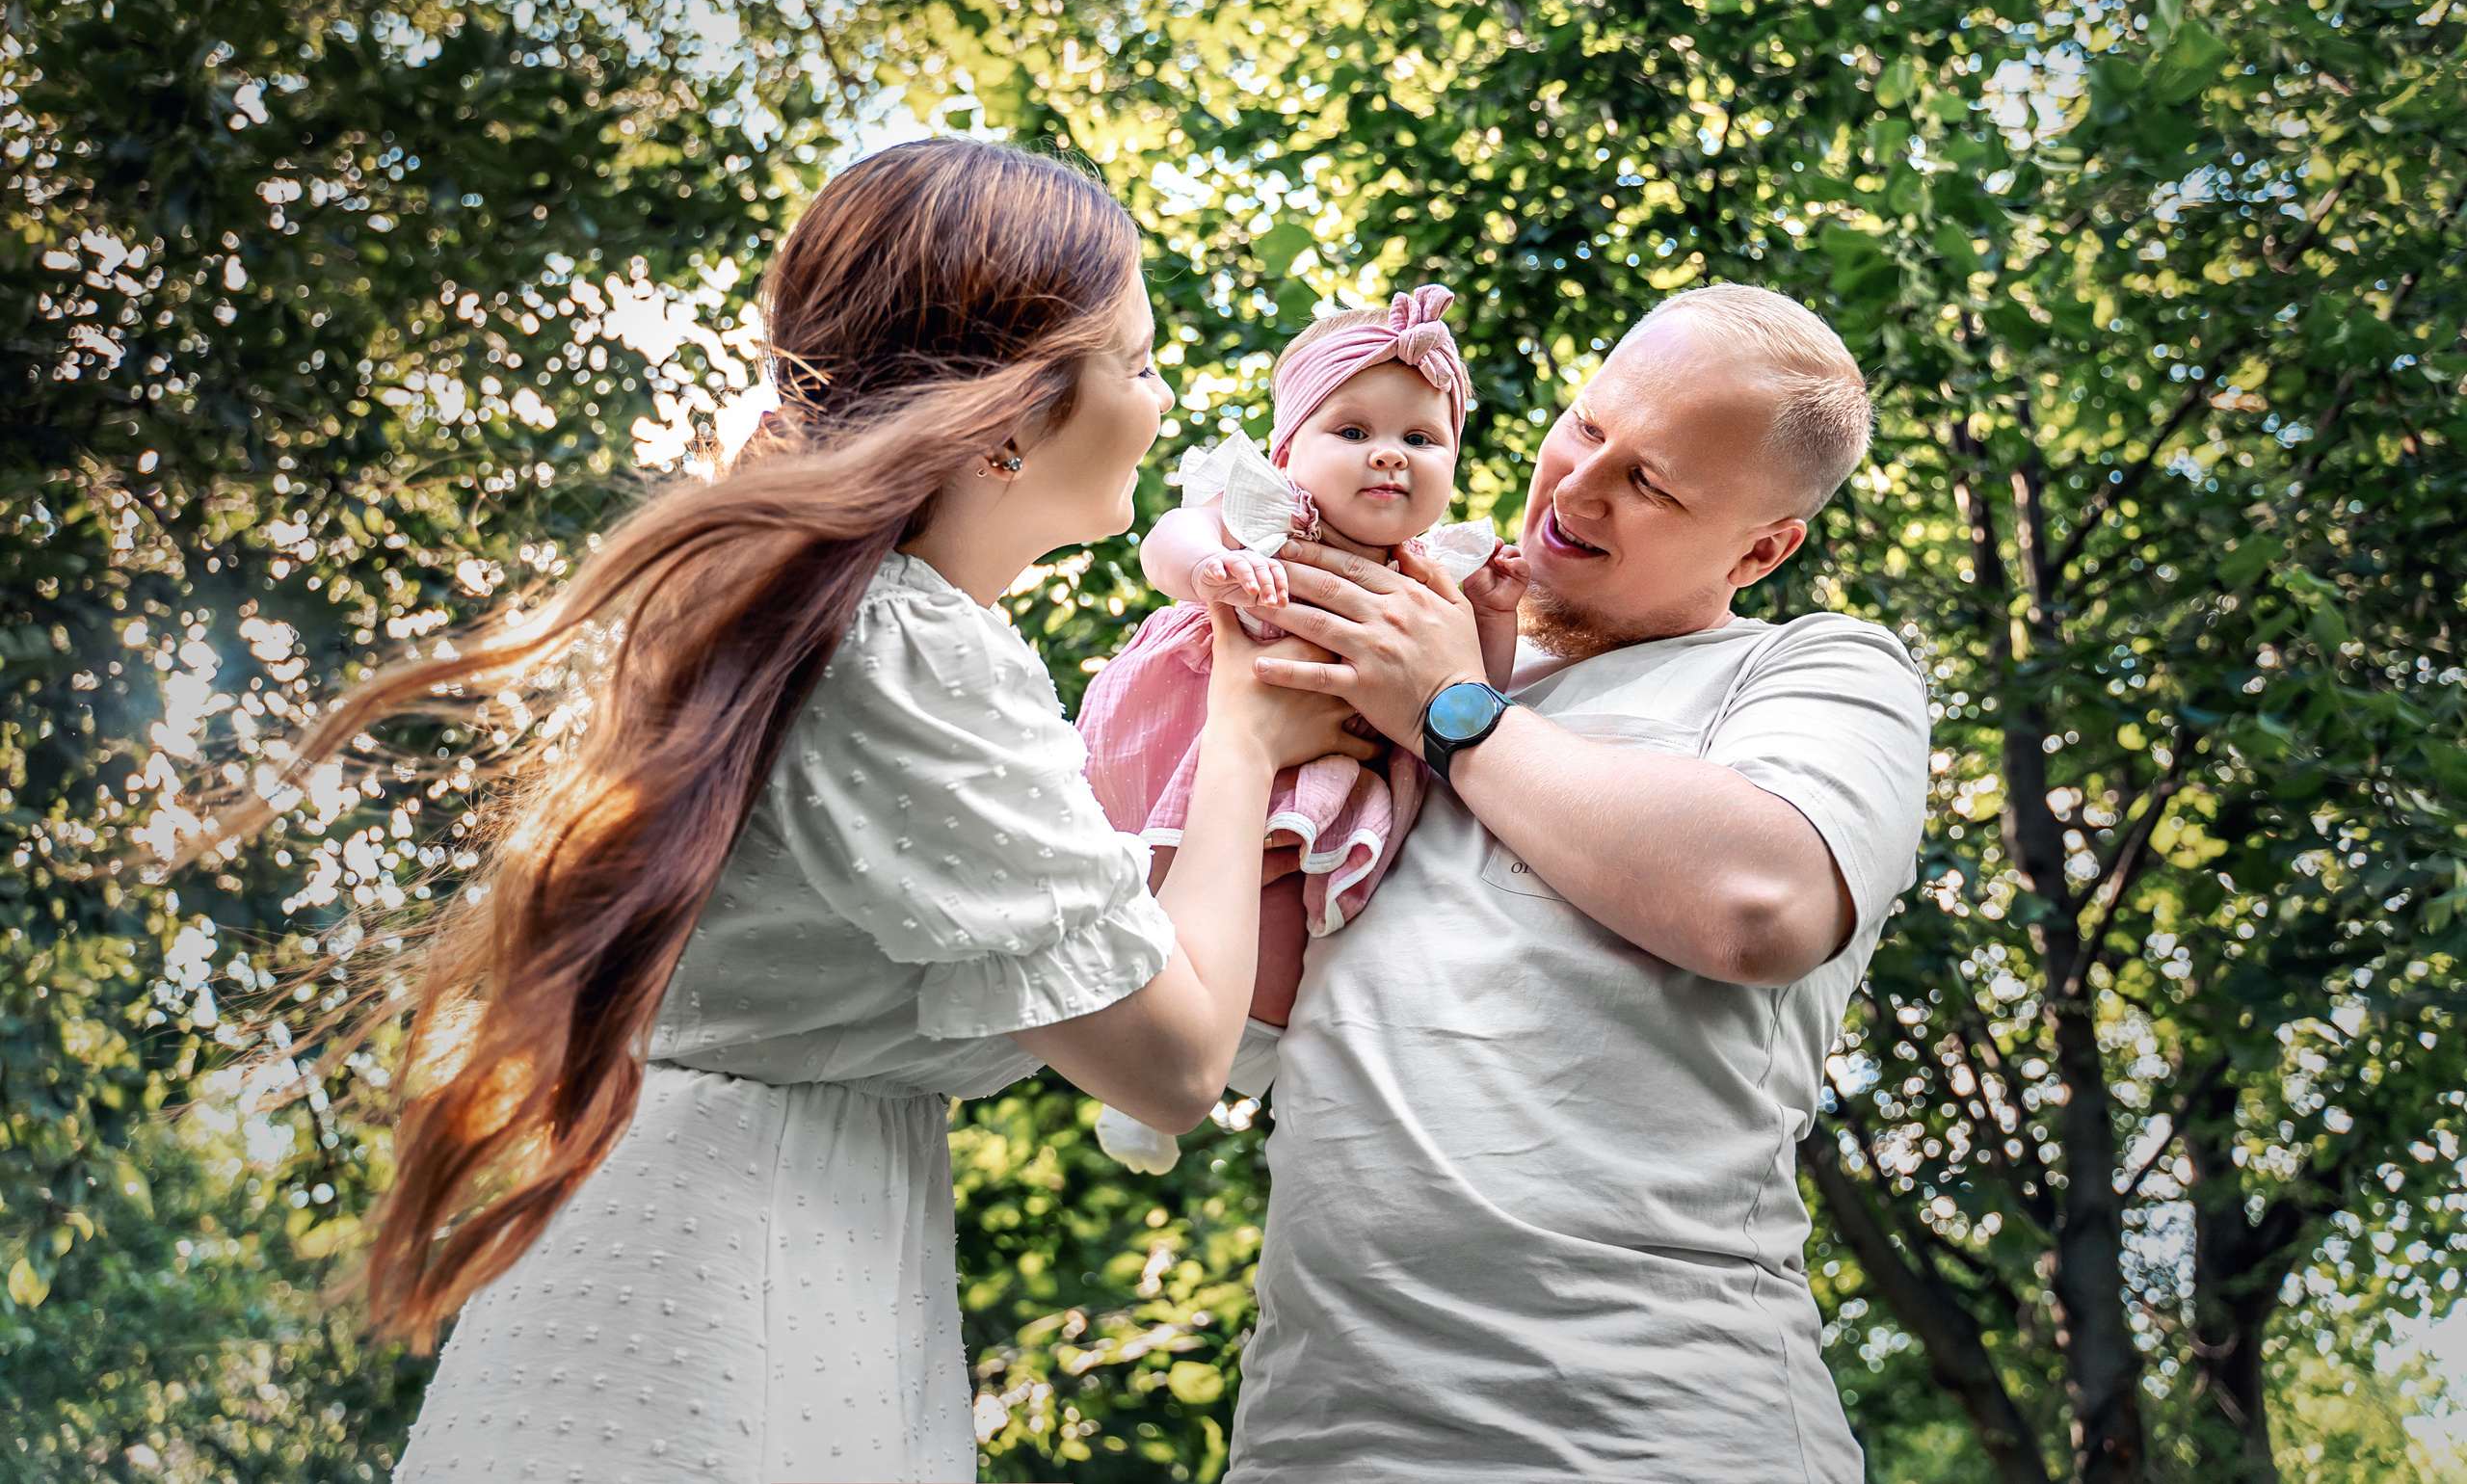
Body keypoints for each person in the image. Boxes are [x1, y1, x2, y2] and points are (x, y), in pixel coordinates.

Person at [199, 141, 1368, 1484]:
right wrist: (1244, 734)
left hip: (737, 1243)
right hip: (741, 1286)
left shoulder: (837, 617)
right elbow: (1172, 1059)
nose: (1162, 404)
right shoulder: (909, 650)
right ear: (1011, 416)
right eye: (1141, 361)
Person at [1225, 283, 1932, 1481]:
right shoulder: (1382, 661)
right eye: (1587, 426)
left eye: (1650, 483)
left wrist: (1450, 712)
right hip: (1316, 1441)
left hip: (1656, 1439)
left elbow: (1762, 904)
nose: (1575, 488)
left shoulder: (1813, 669)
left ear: (1762, 549)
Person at [1074, 287, 1524, 1172]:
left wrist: (1496, 616)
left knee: (1278, 928)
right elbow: (1165, 539)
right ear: (1289, 449)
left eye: (1421, 440)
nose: (1388, 457)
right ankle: (1137, 1079)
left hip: (1323, 781)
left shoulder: (1439, 576)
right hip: (1195, 742)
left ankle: (1258, 1060)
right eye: (1352, 432)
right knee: (1167, 893)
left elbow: (1471, 699)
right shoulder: (1266, 513)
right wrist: (1216, 567)